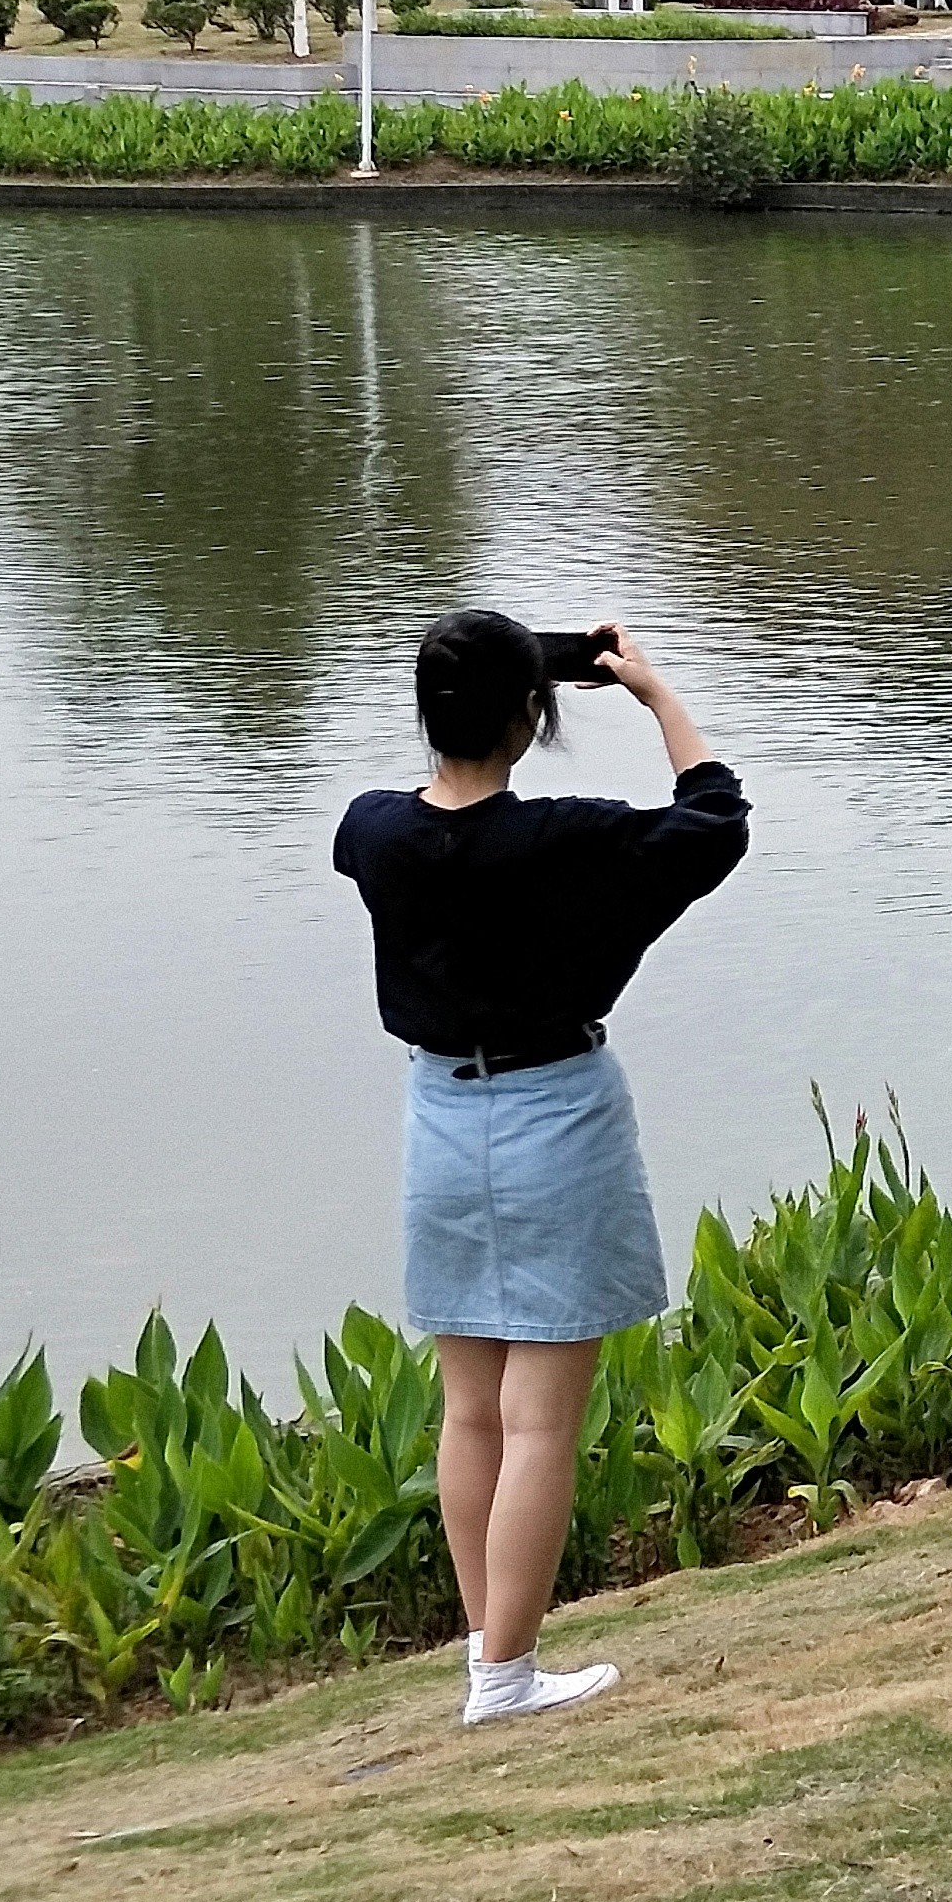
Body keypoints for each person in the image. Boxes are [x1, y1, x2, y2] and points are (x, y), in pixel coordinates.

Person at [335, 613, 747, 1726]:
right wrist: (655, 697)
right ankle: (505, 1678)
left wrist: (524, 676)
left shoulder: (372, 832)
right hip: (554, 1114)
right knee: (539, 1424)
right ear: (531, 719)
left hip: (438, 1118)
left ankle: (491, 1659)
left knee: (470, 1411)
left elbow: (434, 800)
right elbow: (713, 821)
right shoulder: (572, 842)